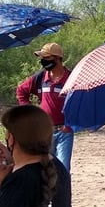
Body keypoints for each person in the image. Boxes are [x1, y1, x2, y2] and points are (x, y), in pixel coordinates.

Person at [16, 43, 73, 172]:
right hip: (44, 132)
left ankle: (62, 192)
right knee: (44, 168)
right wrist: (29, 113)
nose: (43, 62)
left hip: (65, 132)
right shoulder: (40, 78)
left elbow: (79, 103)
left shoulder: (70, 78)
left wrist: (70, 125)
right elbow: (21, 91)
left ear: (57, 59)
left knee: (63, 169)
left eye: (46, 58)